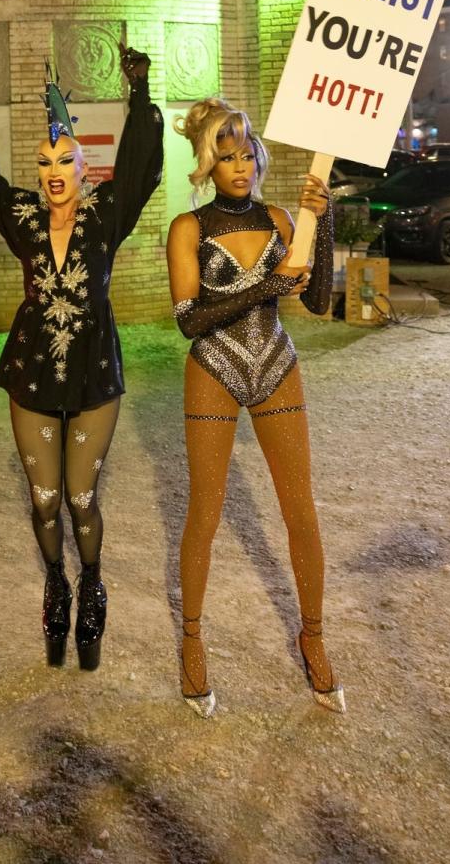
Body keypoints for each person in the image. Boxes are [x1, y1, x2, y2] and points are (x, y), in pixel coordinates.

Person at [0, 45, 163, 669]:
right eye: (44, 162)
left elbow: (141, 165)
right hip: (34, 372)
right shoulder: (22, 216)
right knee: (44, 499)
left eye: (64, 159)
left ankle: (91, 580)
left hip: (94, 371)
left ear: (82, 164)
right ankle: (56, 581)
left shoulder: (105, 215)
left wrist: (140, 91)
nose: (52, 170)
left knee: (81, 499)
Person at [166, 97, 342, 717]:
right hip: (212, 369)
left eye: (246, 153)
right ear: (207, 163)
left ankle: (314, 636)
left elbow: (319, 301)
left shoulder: (277, 219)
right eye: (226, 155)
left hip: (277, 367)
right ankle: (191, 638)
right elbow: (189, 320)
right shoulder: (189, 229)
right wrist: (266, 286)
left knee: (302, 511)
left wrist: (325, 225)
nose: (239, 165)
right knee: (205, 514)